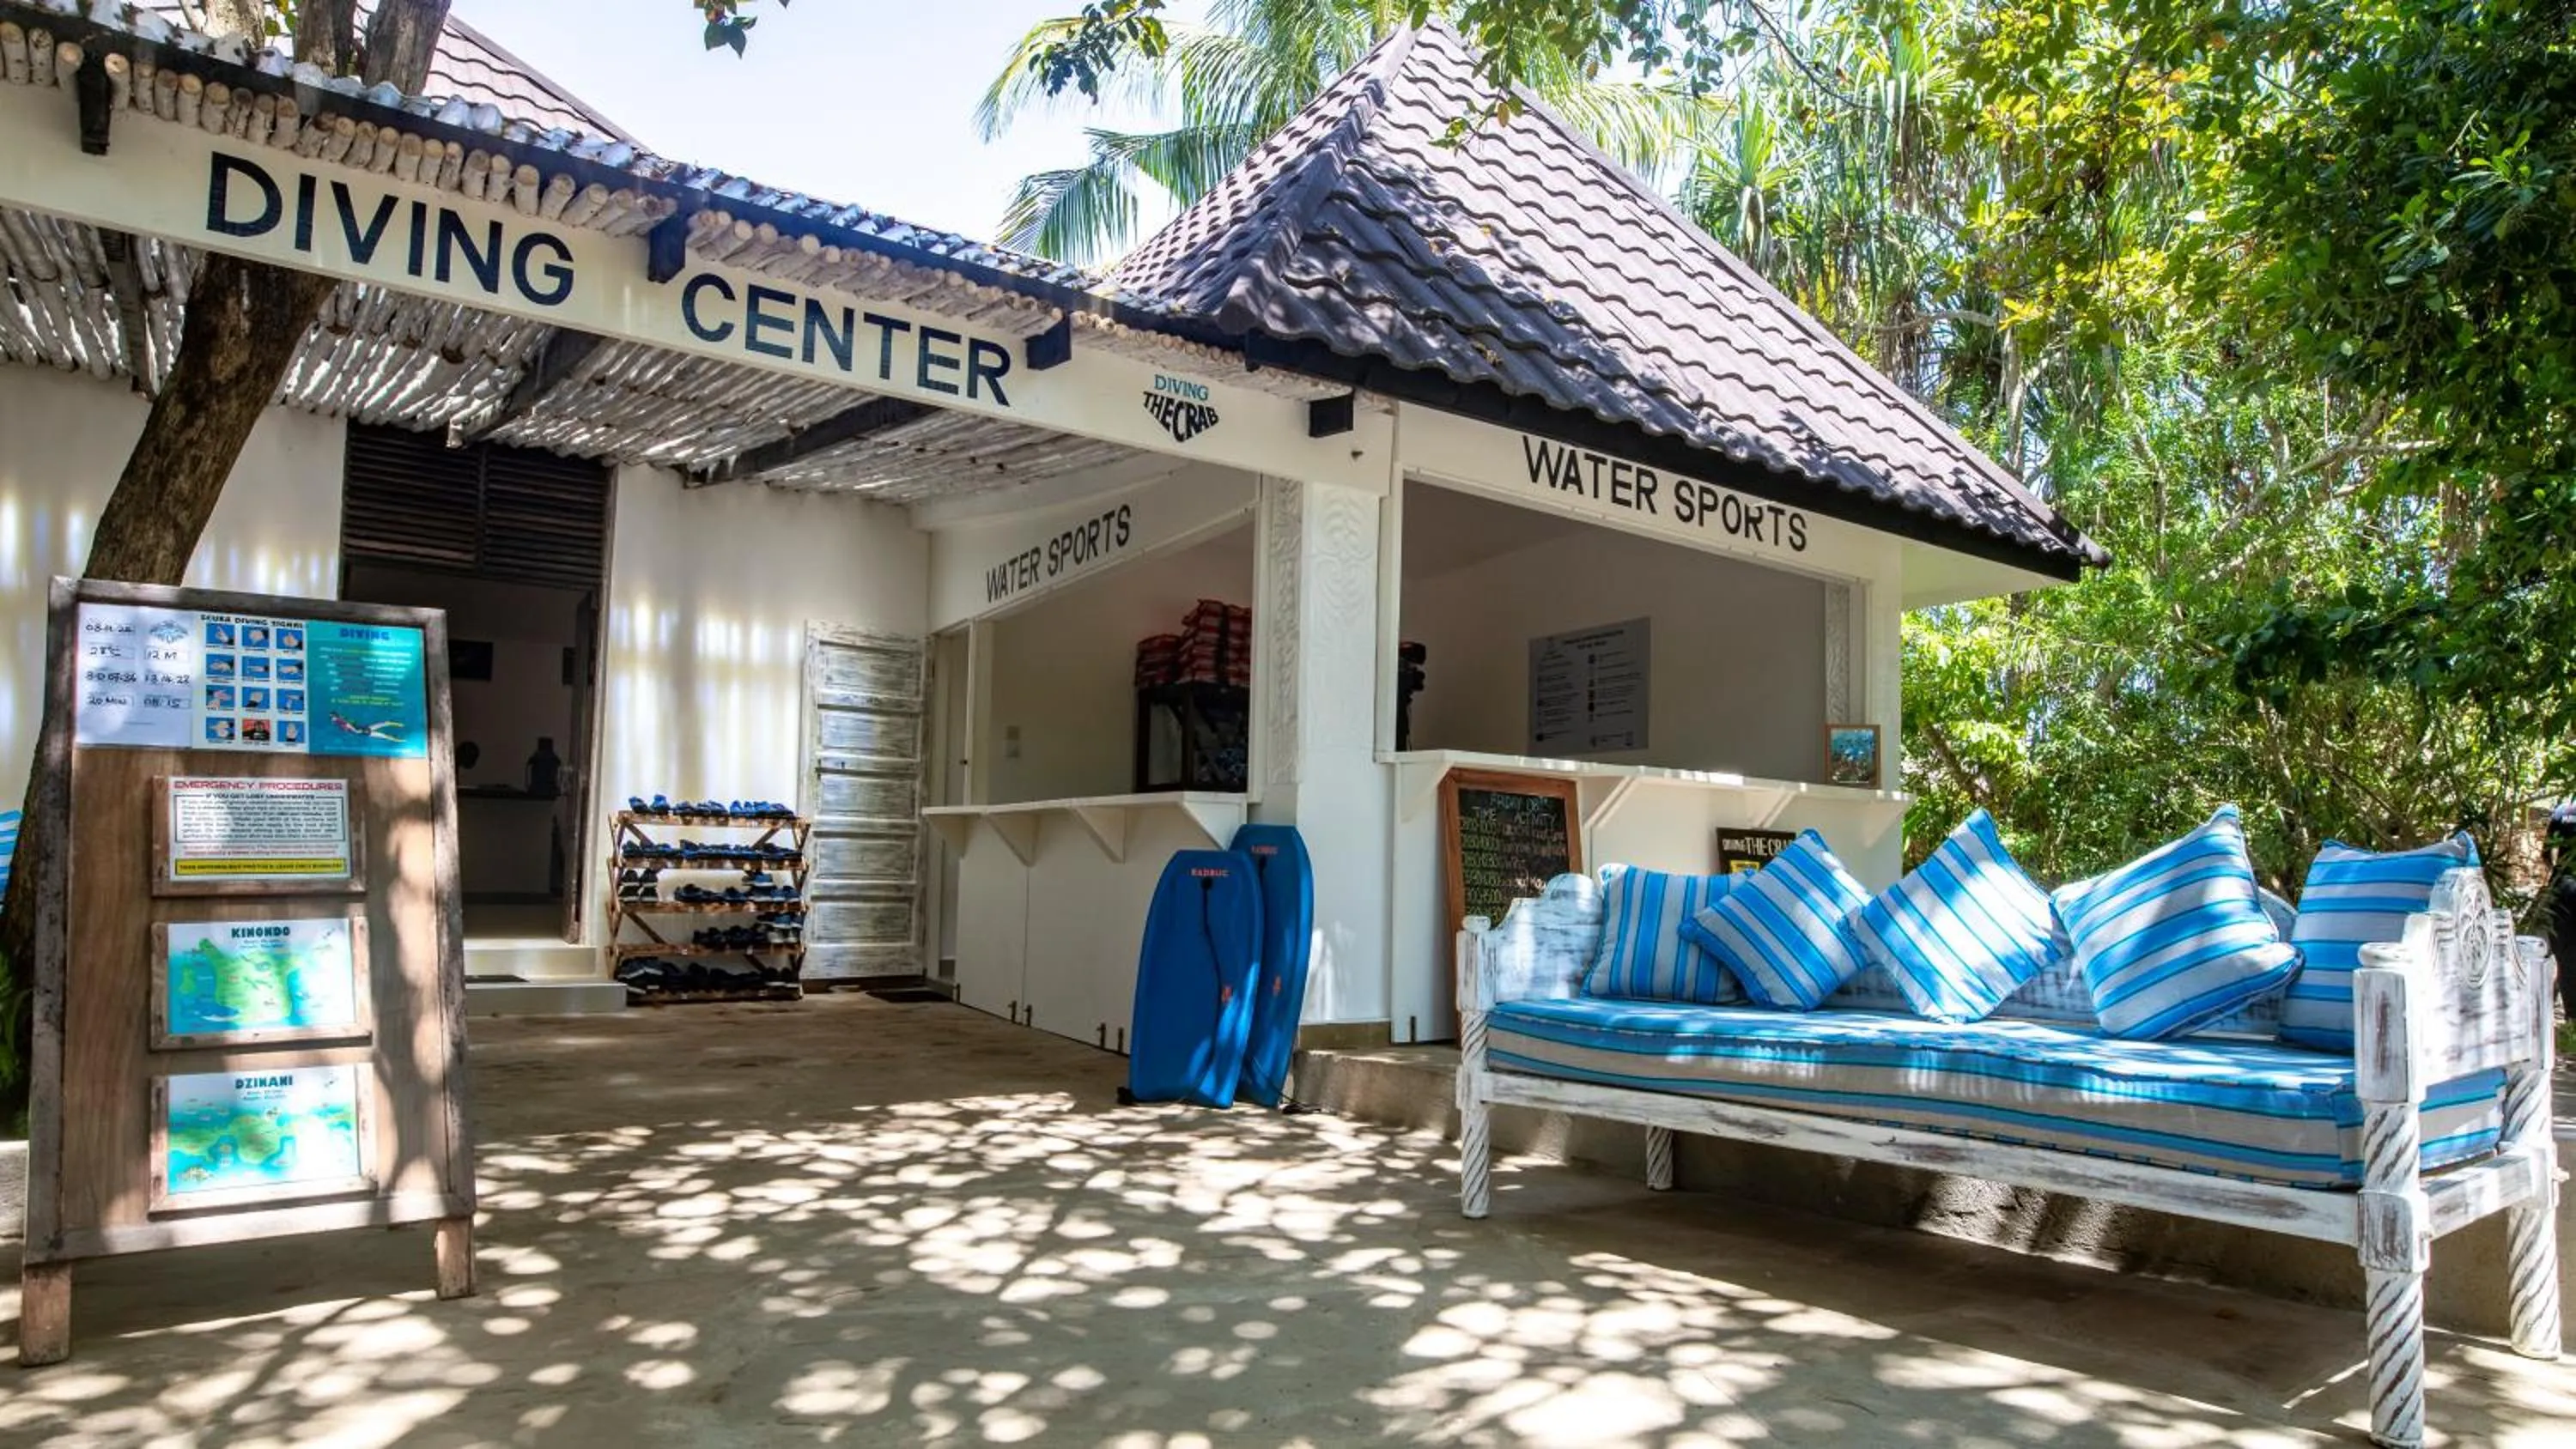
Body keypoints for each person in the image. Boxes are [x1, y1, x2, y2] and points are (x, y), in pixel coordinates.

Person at [2549, 801, 2576, 1027]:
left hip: (2562, 884)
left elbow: (2547, 854)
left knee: (2563, 953)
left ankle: (2568, 1015)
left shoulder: (2562, 811)